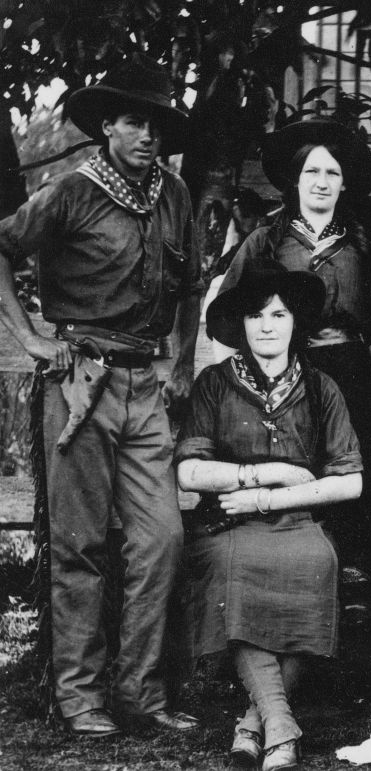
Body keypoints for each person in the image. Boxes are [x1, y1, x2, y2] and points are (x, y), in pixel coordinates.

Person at [0, 54, 202, 737]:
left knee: (162, 538)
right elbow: (2, 247)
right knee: (79, 546)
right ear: (108, 127)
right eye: (134, 122)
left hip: (146, 386)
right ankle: (79, 696)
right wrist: (29, 337)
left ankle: (140, 692)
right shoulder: (70, 190)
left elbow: (191, 285)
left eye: (157, 125)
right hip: (79, 379)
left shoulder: (172, 193)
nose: (148, 135)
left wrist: (178, 358)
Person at [176, 260, 363, 770]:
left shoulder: (322, 387)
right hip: (229, 522)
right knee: (236, 569)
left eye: (278, 315)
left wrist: (274, 498)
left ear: (294, 323)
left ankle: (257, 725)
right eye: (256, 316)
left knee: (312, 564)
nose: (267, 325)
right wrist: (268, 473)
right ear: (241, 325)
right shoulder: (215, 383)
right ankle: (280, 725)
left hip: (298, 521)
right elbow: (190, 472)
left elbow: (350, 480)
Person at [214, 118, 371, 600]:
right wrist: (244, 389)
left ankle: (350, 593)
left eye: (332, 173)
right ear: (295, 181)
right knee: (294, 471)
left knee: (350, 476)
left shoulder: (360, 248)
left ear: (343, 183)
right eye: (312, 172)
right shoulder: (267, 242)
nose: (321, 182)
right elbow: (227, 322)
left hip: (353, 375)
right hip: (289, 376)